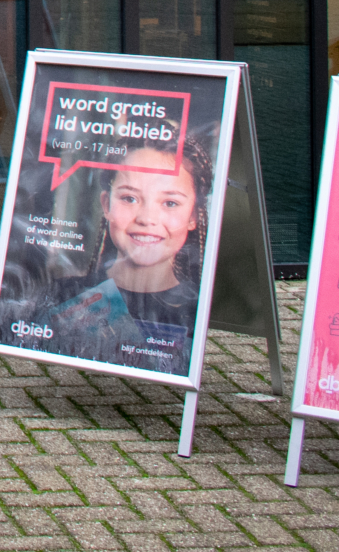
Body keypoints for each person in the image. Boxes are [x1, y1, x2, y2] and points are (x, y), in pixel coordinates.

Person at [21, 137, 212, 377]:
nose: (146, 218)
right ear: (106, 204)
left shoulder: (196, 312)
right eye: (129, 198)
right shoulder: (61, 297)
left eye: (170, 203)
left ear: (193, 214)